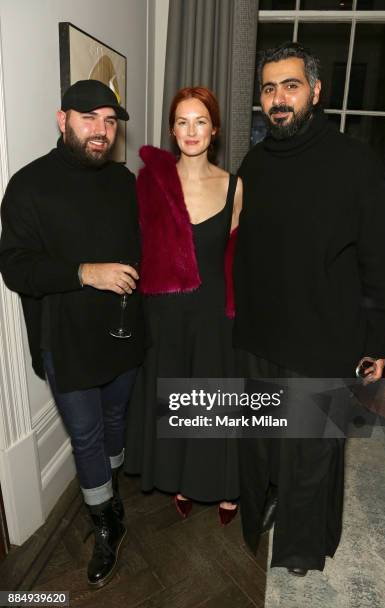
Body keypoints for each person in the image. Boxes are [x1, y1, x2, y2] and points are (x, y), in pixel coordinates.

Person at [234, 42, 385, 575]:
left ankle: (303, 549)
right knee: (263, 442)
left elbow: (379, 260)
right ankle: (266, 514)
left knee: (311, 452)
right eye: (269, 88)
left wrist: (378, 343)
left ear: (317, 91)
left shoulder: (356, 162)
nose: (278, 99)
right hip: (260, 335)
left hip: (325, 341)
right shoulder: (254, 162)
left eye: (291, 85)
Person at [0, 79, 146, 589]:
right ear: (63, 120)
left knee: (114, 422)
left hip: (124, 335)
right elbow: (16, 269)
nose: (102, 131)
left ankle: (111, 492)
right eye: (90, 119)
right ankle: (106, 523)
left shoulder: (126, 183)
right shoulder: (27, 185)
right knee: (85, 437)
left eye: (110, 121)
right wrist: (86, 272)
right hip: (65, 340)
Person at [124, 86, 242, 522]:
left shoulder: (236, 187)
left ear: (214, 130)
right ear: (173, 130)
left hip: (214, 316)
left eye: (200, 121)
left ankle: (221, 483)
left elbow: (240, 259)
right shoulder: (150, 183)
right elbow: (137, 247)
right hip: (165, 316)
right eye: (182, 121)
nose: (191, 130)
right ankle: (181, 478)